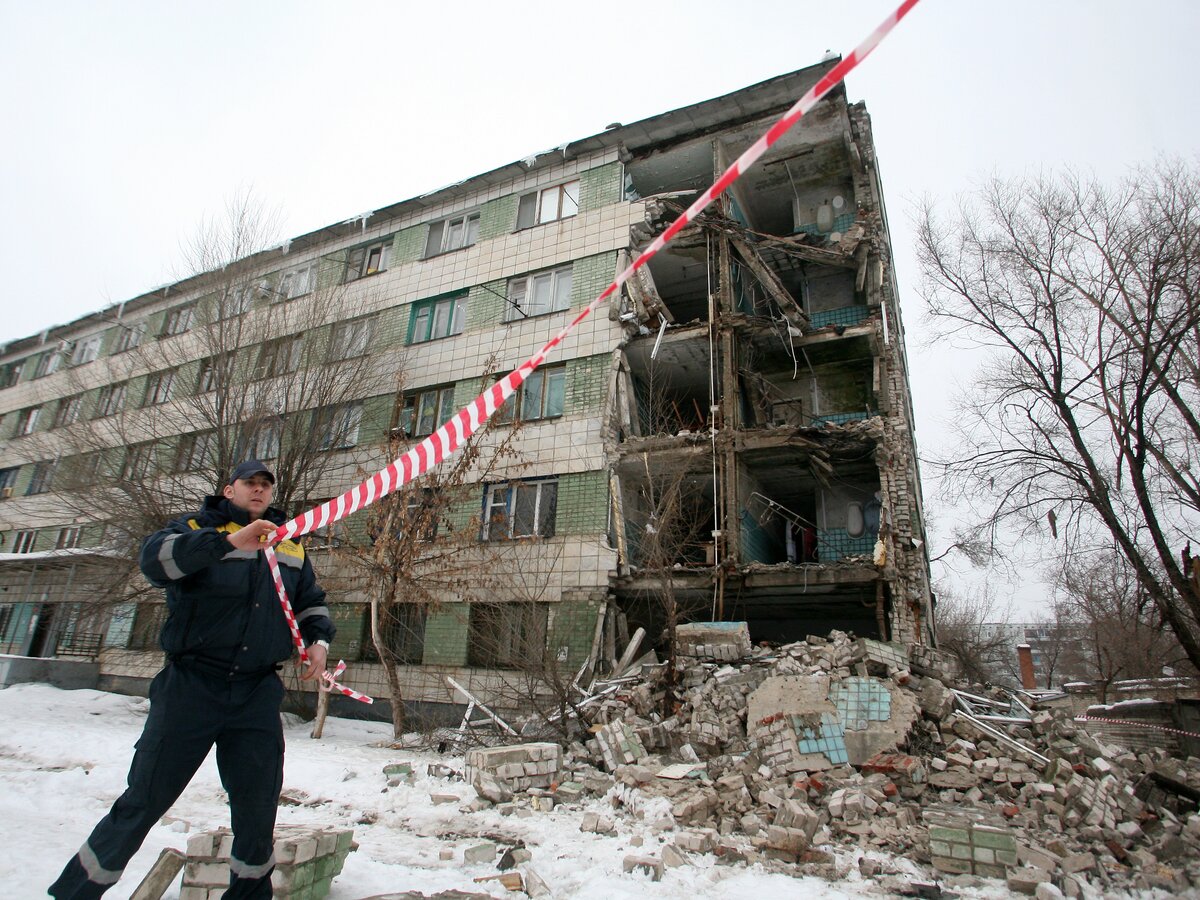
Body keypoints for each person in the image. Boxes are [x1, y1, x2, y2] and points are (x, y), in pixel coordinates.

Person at [50, 461, 335, 899]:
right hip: (192, 685)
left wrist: (318, 641)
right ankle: (76, 892)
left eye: (265, 486)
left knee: (257, 807)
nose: (258, 490)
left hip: (256, 691)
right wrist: (228, 542)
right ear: (229, 490)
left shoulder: (290, 543)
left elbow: (311, 600)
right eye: (249, 483)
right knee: (145, 798)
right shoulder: (191, 528)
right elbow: (155, 562)